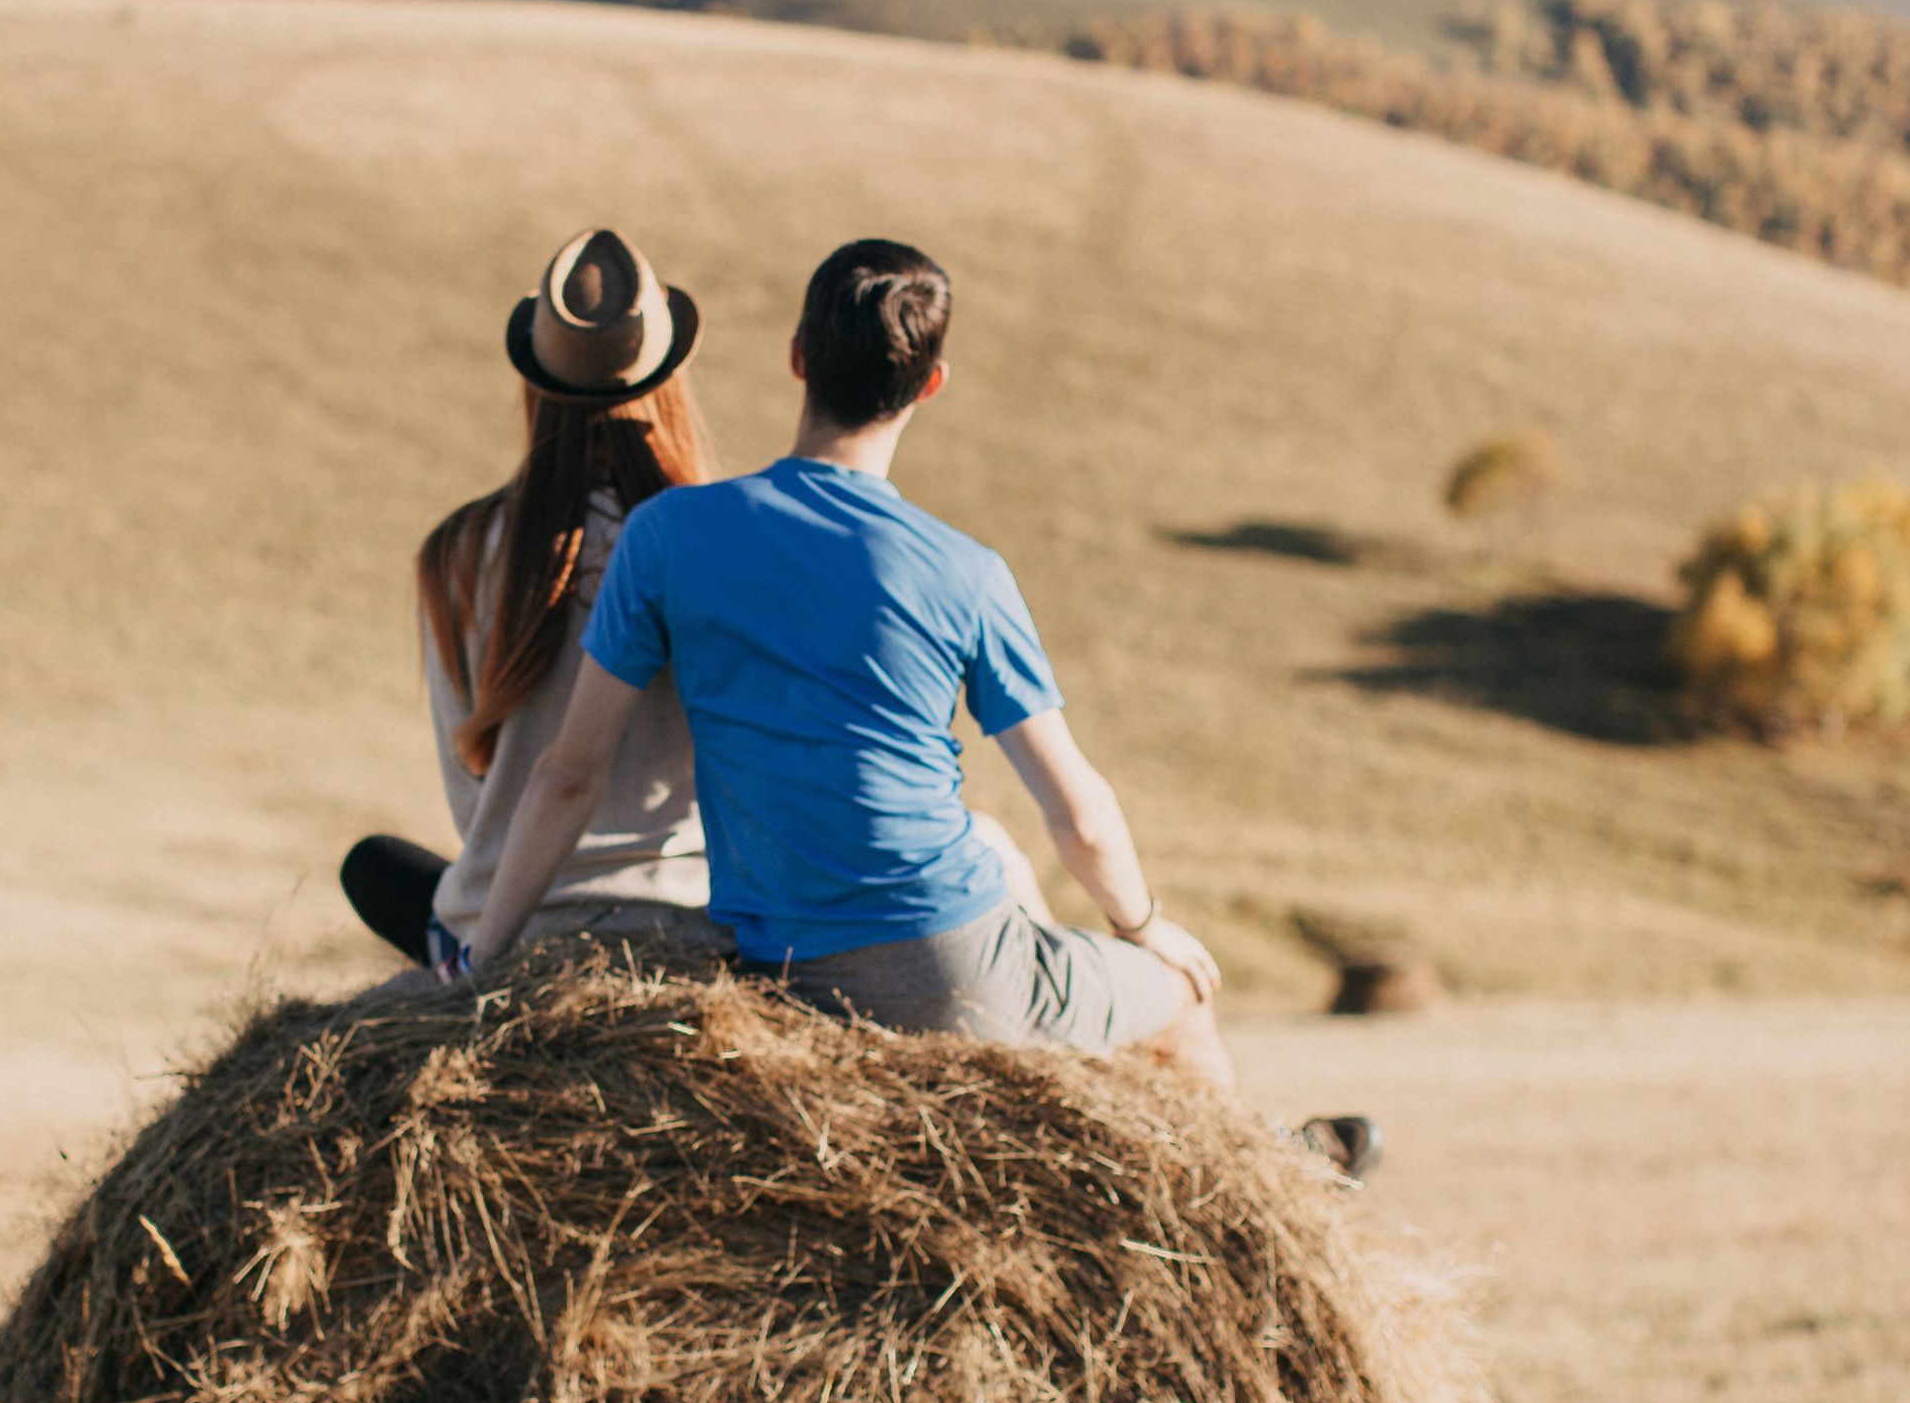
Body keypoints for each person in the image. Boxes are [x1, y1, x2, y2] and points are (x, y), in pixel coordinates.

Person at [465, 234, 1380, 1170]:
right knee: (1180, 1001)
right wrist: (1150, 931)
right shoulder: (967, 574)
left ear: (796, 358)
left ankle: (1274, 1159)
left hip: (777, 977)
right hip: (953, 969)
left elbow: (567, 775)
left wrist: (480, 961)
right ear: (931, 384)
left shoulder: (667, 537)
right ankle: (1278, 1174)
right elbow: (1080, 817)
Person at [339, 228, 732, 977]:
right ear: (671, 378)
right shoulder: (726, 547)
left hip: (512, 919)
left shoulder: (460, 551)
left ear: (534, 380)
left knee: (375, 868)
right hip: (693, 912)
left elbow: (473, 797)